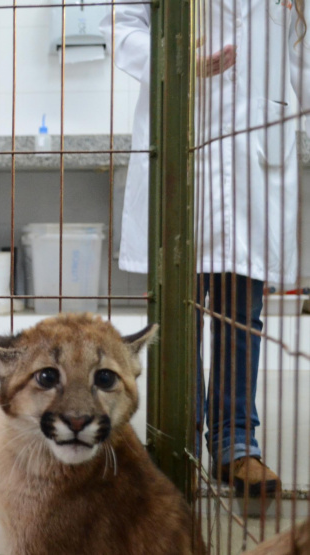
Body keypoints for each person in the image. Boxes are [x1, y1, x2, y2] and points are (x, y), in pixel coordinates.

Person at [101, 1, 306, 501]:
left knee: (243, 314)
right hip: (179, 137)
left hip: (257, 148)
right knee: (177, 313)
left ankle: (237, 445)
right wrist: (174, 60)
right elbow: (120, 27)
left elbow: (302, 55)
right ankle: (177, 445)